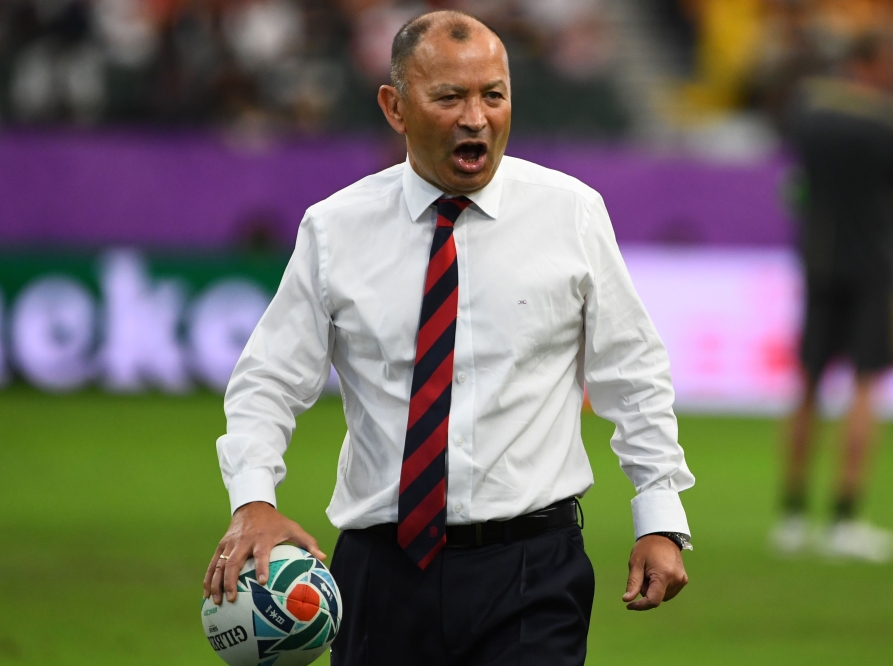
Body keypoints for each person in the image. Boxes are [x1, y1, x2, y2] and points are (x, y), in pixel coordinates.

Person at [203, 10, 695, 665]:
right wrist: (253, 503)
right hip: (381, 574)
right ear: (395, 107)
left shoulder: (570, 214)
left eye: (493, 95)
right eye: (450, 97)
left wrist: (659, 513)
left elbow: (631, 371)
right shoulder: (336, 229)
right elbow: (267, 379)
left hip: (533, 570)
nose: (476, 117)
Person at [771, 33, 893, 563]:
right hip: (872, 268)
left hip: (818, 263)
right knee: (865, 387)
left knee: (807, 386)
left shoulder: (810, 109)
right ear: (874, 63)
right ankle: (844, 519)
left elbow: (795, 174)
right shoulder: (890, 120)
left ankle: (792, 517)